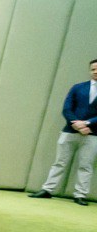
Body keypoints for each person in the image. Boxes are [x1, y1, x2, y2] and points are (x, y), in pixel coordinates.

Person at [29, 59, 97, 205]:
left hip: (92, 135)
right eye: (93, 69)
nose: (96, 71)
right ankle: (47, 190)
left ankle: (80, 195)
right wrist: (77, 125)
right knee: (59, 162)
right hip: (69, 132)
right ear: (90, 70)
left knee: (86, 165)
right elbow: (67, 109)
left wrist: (87, 123)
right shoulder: (77, 87)